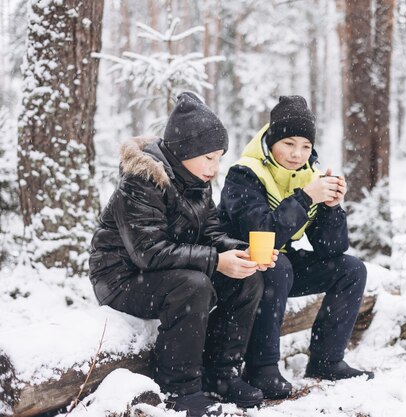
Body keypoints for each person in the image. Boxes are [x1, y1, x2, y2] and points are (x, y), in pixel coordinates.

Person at [89, 92, 276, 416]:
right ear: (184, 150)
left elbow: (211, 231)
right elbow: (147, 252)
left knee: (247, 278)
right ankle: (179, 389)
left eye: (219, 158)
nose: (215, 168)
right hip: (121, 277)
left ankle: (221, 374)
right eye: (209, 158)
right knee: (194, 286)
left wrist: (239, 253)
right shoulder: (142, 179)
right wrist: (217, 261)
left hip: (166, 270)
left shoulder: (196, 179)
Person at [218, 95, 374, 401]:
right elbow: (260, 233)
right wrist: (305, 198)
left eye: (305, 146)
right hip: (236, 267)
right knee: (278, 264)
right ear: (272, 140)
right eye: (289, 143)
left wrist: (330, 207)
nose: (297, 154)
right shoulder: (244, 174)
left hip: (277, 267)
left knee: (351, 269)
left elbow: (332, 248)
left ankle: (327, 361)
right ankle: (261, 368)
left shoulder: (310, 175)